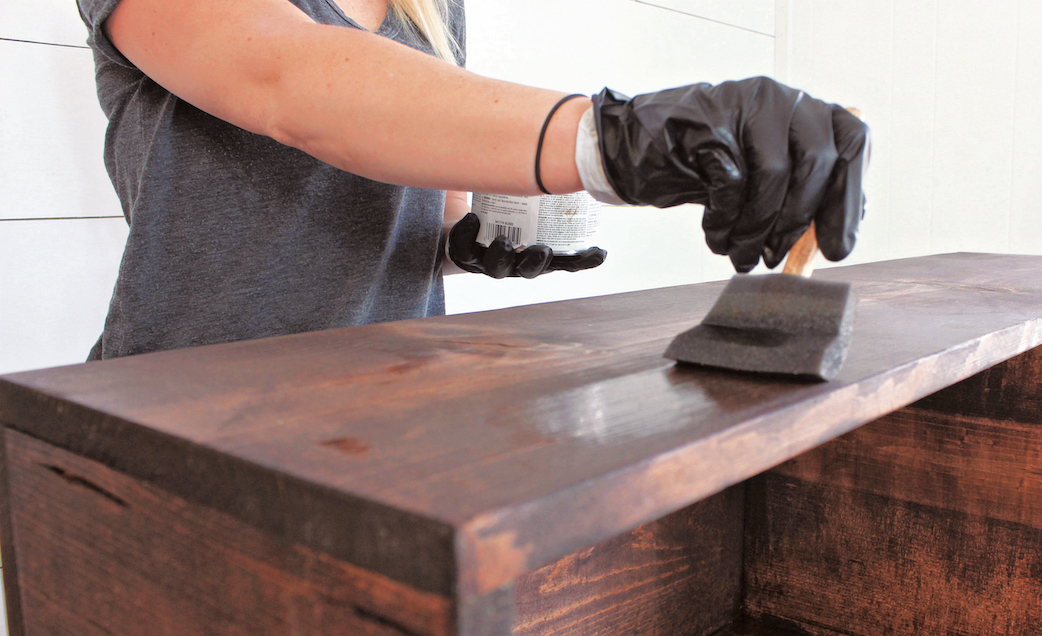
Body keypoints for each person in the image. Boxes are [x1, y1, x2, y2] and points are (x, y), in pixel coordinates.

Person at [76, 0, 869, 360]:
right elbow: (290, 83)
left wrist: (469, 242)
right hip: (180, 409)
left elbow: (427, 193)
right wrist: (616, 139)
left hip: (378, 415)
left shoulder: (429, 6)